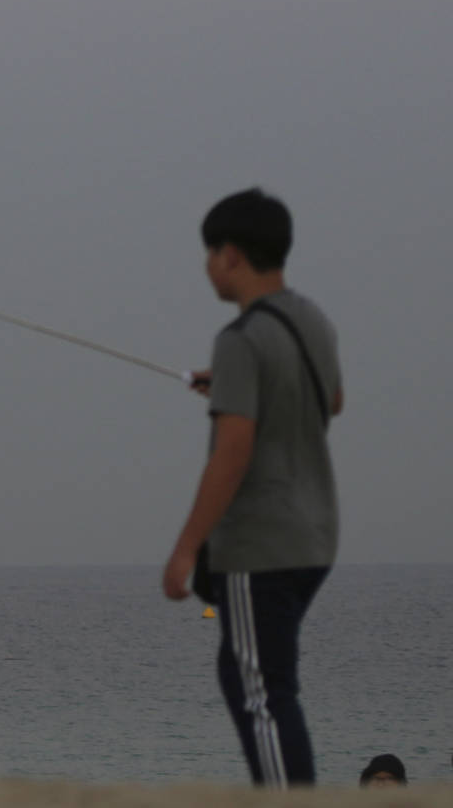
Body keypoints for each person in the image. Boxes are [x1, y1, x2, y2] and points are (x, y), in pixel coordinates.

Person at [162, 189, 342, 787]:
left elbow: (232, 453)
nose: (207, 265)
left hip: (261, 547)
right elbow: (331, 399)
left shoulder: (238, 340)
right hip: (315, 539)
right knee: (255, 675)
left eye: (209, 252)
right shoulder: (312, 318)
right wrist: (238, 386)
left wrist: (187, 546)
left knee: (260, 692)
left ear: (231, 255)